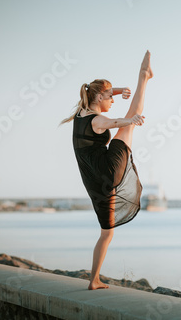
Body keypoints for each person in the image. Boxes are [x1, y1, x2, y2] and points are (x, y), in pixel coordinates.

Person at [60, 50, 153, 290]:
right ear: (99, 97)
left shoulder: (81, 113)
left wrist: (119, 90)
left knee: (106, 232)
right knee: (129, 123)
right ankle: (144, 77)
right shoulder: (96, 119)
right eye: (109, 97)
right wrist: (130, 122)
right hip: (108, 170)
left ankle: (94, 280)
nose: (112, 101)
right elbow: (111, 122)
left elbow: (103, 100)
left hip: (96, 182)